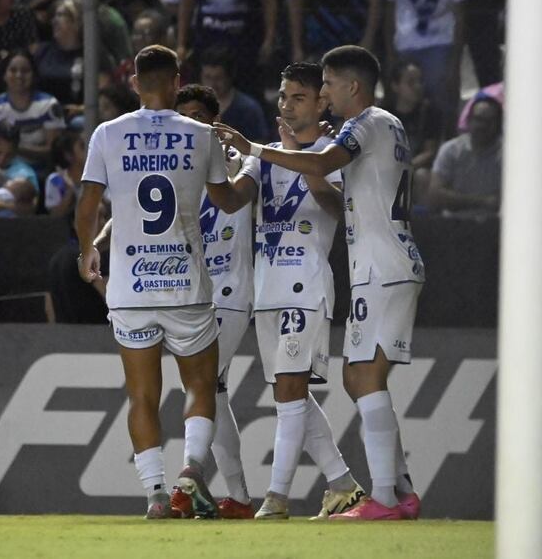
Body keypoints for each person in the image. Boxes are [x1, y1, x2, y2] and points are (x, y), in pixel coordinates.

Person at [214, 45, 425, 521]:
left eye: (325, 86)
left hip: (370, 268)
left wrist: (259, 149)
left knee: (360, 377)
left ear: (351, 87)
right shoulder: (388, 124)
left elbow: (325, 167)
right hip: (381, 263)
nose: (324, 94)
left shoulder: (361, 125)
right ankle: (392, 489)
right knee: (356, 378)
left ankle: (380, 500)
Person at [75, 44, 244, 520]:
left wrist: (87, 248)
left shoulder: (107, 134)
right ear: (175, 81)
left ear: (133, 82)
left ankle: (153, 495)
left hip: (130, 287)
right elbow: (226, 200)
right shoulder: (201, 134)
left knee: (141, 395)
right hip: (185, 283)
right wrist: (249, 169)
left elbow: (88, 203)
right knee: (200, 386)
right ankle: (190, 472)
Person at [215, 62, 367, 520]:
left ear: (321, 102)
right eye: (283, 96)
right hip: (267, 289)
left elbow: (339, 209)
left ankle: (276, 498)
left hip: (306, 286)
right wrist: (213, 162)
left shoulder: (330, 153)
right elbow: (230, 200)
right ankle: (342, 485)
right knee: (290, 394)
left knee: (289, 389)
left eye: (298, 96)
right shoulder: (261, 158)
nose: (286, 103)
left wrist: (298, 162)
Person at [169, 83, 255, 519]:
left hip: (232, 291)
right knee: (213, 394)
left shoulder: (239, 164)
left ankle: (190, 476)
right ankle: (238, 498)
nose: (192, 125)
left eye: (200, 117)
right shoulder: (173, 174)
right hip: (194, 294)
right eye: (183, 117)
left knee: (201, 385)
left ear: (214, 123)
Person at [382, 0, 473, 136]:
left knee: (441, 100)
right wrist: (390, 52)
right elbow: (389, 10)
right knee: (404, 100)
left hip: (441, 42)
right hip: (405, 42)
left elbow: (460, 14)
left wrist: (455, 61)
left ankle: (446, 142)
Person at [0, 49, 66, 170]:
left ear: (34, 75)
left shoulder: (49, 105)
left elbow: (54, 150)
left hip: (42, 170)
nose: (19, 75)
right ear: (4, 75)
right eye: (13, 70)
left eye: (25, 71)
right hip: (3, 169)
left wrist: (16, 148)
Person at [427, 95, 503, 213]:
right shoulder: (450, 150)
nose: (482, 125)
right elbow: (435, 195)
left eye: (489, 121)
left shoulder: (508, 155)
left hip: (495, 226)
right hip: (453, 226)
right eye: (478, 119)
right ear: (468, 120)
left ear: (499, 124)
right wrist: (483, 201)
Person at [382, 60, 442, 206]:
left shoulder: (430, 113)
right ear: (396, 86)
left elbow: (430, 152)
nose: (418, 87)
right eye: (410, 82)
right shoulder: (382, 115)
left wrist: (405, 166)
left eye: (420, 81)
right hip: (387, 167)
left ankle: (423, 223)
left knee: (423, 177)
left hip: (416, 169)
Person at [287, 0, 382, 63]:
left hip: (354, 41)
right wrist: (297, 48)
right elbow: (295, 1)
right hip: (317, 44)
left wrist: (367, 41)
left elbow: (375, 2)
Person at [200, 45, 269, 143]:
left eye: (218, 78)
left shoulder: (248, 109)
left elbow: (259, 147)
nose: (212, 84)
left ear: (230, 76)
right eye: (207, 77)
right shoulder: (193, 105)